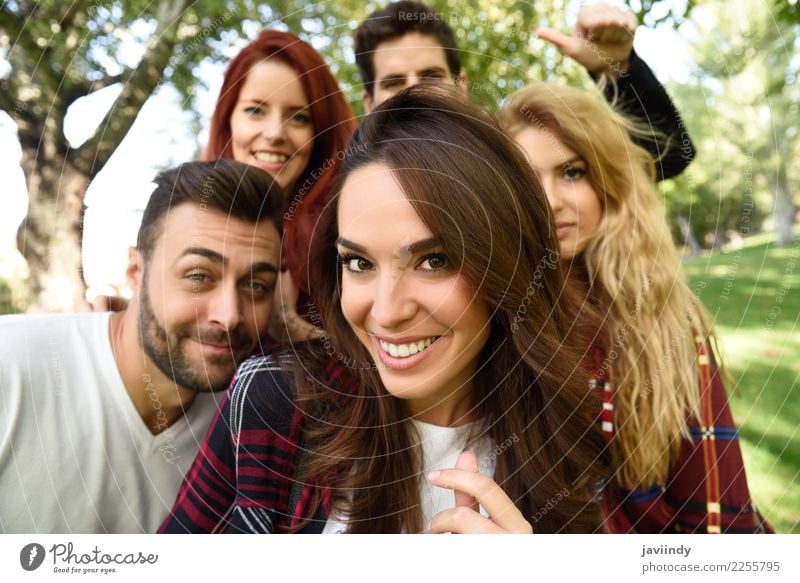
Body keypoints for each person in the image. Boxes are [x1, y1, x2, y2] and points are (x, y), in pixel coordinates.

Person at [160, 85, 611, 534]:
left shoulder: (568, 426)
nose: (388, 311)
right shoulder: (273, 401)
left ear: (508, 263)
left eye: (434, 260)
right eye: (359, 263)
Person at [500, 83, 771, 533]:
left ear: (608, 181)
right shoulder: (493, 312)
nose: (550, 200)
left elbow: (717, 516)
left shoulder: (665, 320)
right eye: (527, 179)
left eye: (571, 172)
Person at [0, 160, 284, 533]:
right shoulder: (12, 369)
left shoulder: (248, 427)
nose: (229, 316)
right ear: (136, 272)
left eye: (255, 285)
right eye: (198, 276)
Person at [95, 30, 357, 342]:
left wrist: (290, 327)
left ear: (322, 134)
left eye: (299, 118)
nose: (275, 133)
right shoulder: (187, 215)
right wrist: (142, 314)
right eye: (255, 110)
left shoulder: (345, 236)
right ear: (227, 120)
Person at [354, 1, 694, 181]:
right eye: (394, 83)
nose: (416, 93)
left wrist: (615, 67)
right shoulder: (346, 193)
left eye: (431, 76)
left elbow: (670, 157)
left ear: (460, 87)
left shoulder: (513, 162)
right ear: (369, 103)